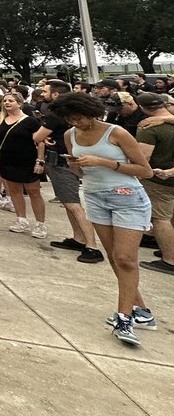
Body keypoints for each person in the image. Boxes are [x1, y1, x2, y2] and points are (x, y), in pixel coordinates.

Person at [49, 92, 155, 346]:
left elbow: (145, 171)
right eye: (70, 120)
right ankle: (139, 309)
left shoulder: (116, 133)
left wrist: (105, 162)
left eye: (79, 118)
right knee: (114, 257)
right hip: (95, 196)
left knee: (126, 258)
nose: (76, 124)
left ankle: (125, 317)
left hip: (127, 196)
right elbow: (80, 171)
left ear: (91, 112)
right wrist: (75, 164)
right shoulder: (70, 135)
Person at [34, 80, 103, 263]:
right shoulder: (69, 117)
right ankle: (78, 238)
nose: (43, 93)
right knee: (68, 203)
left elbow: (37, 136)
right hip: (65, 162)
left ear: (56, 94)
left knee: (73, 204)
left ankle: (92, 246)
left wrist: (44, 136)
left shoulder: (55, 114)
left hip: (62, 163)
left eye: (46, 90)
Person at [0, 92, 47, 237]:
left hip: (27, 160)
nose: (7, 103)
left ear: (19, 103)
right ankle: (21, 220)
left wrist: (40, 160)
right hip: (7, 160)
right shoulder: (0, 120)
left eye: (11, 101)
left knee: (34, 191)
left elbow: (40, 142)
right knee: (14, 191)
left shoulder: (30, 121)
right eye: (5, 100)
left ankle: (40, 224)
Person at [137, 91, 174, 277]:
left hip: (159, 178)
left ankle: (169, 259)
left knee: (161, 219)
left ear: (143, 108)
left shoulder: (148, 127)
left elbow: (144, 158)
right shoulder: (168, 121)